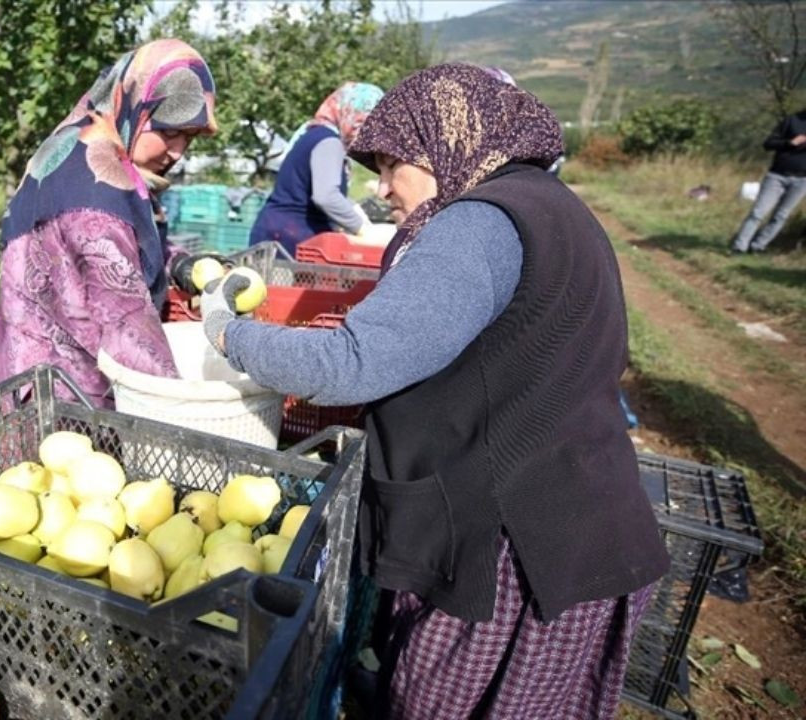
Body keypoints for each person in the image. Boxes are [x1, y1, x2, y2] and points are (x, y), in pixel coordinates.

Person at [201, 64, 668, 718]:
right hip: (572, 519)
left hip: (519, 555)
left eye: (393, 165)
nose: (384, 187)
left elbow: (353, 361)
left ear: (443, 143)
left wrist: (228, 334)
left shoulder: (479, 223)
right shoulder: (547, 205)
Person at [0, 39, 220, 407]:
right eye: (170, 131)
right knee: (59, 466)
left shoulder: (88, 140)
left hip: (30, 355)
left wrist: (180, 264)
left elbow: (132, 238)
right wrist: (189, 412)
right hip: (60, 388)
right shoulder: (95, 194)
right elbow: (129, 329)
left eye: (189, 137)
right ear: (138, 106)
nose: (178, 152)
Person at [248, 82, 389, 254]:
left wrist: (352, 209)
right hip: (288, 240)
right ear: (349, 111)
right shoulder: (329, 142)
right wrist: (365, 230)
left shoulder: (313, 135)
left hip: (277, 232)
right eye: (362, 121)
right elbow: (326, 196)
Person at [730, 108, 806, 254]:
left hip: (802, 180)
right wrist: (790, 143)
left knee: (781, 216)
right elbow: (768, 143)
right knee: (758, 212)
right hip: (777, 176)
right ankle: (739, 247)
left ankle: (758, 246)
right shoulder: (792, 120)